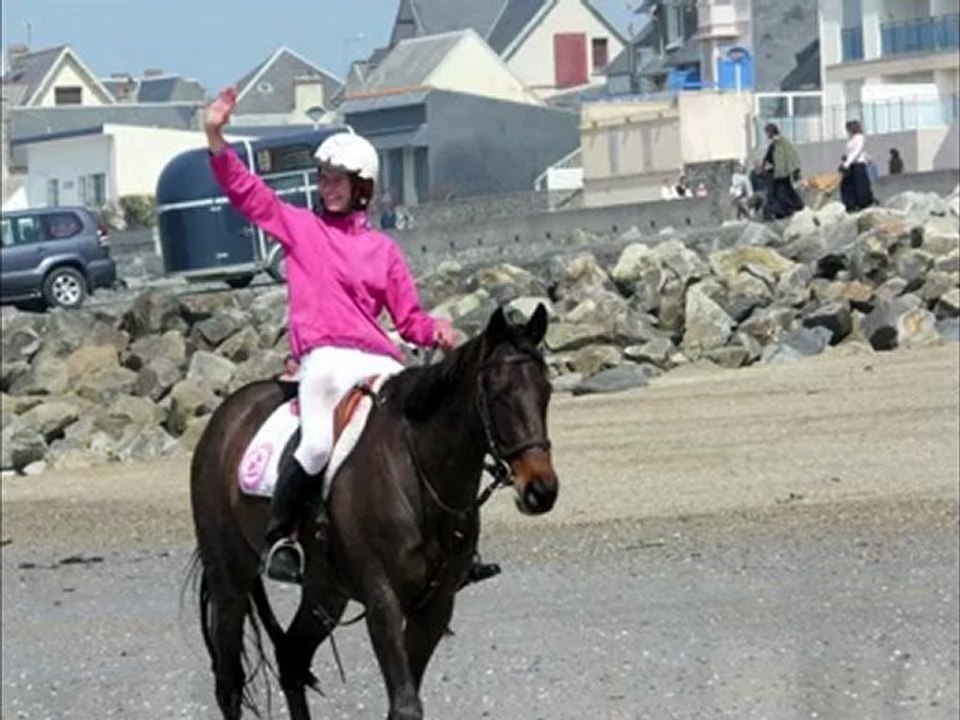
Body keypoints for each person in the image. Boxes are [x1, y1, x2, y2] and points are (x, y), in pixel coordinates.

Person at [204, 86, 492, 585]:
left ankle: (455, 546)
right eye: (324, 178)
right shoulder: (299, 228)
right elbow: (249, 195)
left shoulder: (384, 251)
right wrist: (215, 136)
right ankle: (282, 539)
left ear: (362, 187)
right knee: (316, 445)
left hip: (379, 362)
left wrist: (438, 331)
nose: (327, 186)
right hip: (323, 362)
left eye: (338, 179)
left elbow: (410, 322)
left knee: (429, 429)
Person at [761, 123, 804, 220]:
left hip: (782, 174)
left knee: (783, 194)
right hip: (776, 174)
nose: (767, 135)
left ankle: (792, 210)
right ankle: (783, 213)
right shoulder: (773, 144)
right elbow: (768, 158)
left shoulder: (782, 143)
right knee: (779, 195)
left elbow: (791, 157)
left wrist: (795, 171)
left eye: (767, 133)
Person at [839, 119, 876, 213]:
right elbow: (852, 152)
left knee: (860, 187)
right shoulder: (851, 139)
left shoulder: (859, 138)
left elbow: (857, 152)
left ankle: (864, 204)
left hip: (858, 165)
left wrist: (846, 164)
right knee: (846, 186)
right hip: (851, 165)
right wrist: (845, 159)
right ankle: (850, 205)